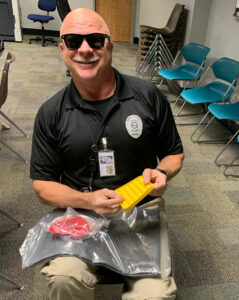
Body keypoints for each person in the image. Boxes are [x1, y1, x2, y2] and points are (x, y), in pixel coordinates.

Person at [30, 7, 184, 300]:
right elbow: (42, 187)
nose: (85, 49)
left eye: (96, 40)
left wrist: (162, 172)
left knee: (154, 296)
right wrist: (88, 200)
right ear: (63, 48)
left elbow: (174, 154)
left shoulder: (147, 96)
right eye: (74, 41)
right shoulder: (51, 112)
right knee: (64, 278)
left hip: (140, 211)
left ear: (110, 46)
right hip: (80, 213)